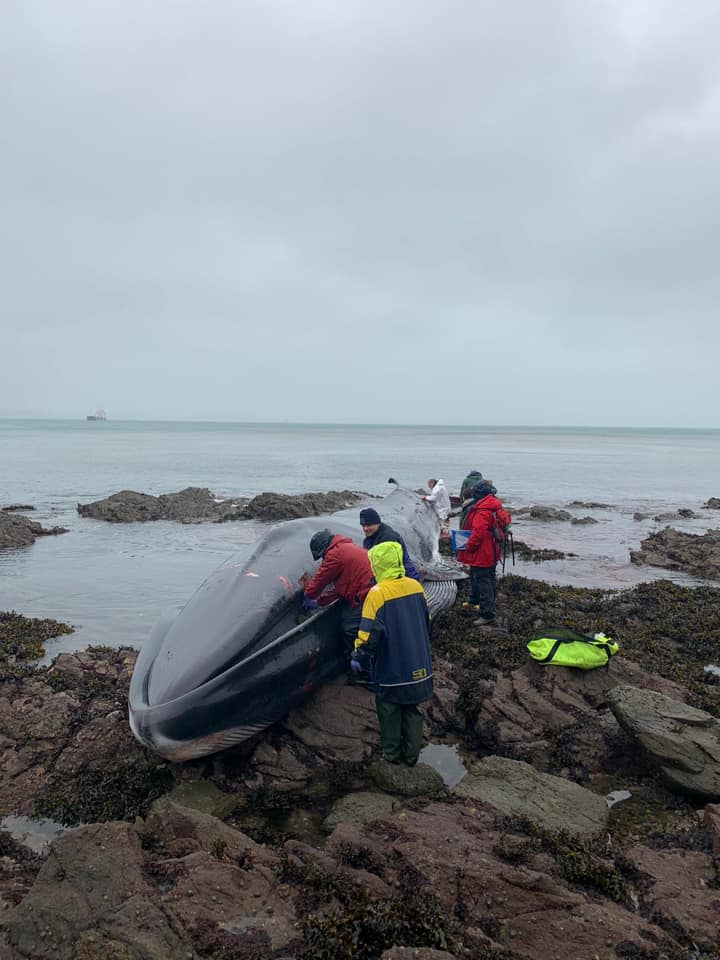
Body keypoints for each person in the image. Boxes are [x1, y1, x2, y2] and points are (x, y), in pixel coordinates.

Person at [350, 541, 433, 766]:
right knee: (413, 711)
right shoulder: (416, 586)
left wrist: (358, 657)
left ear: (377, 564)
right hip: (419, 664)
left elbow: (369, 635)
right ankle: (412, 757)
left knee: (389, 711)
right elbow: (427, 621)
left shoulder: (377, 594)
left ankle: (392, 757)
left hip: (392, 668)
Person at [302, 530, 373, 649]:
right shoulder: (346, 547)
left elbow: (320, 579)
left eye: (322, 555)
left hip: (367, 592)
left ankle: (361, 657)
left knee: (350, 627)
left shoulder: (334, 554)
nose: (323, 558)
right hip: (371, 588)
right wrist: (320, 602)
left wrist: (308, 595)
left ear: (324, 549)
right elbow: (341, 589)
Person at [456, 480, 511, 626]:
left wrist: (469, 547)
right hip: (493, 550)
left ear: (479, 495)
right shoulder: (495, 506)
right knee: (490, 578)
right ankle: (484, 604)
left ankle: (487, 614)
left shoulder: (483, 510)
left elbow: (478, 533)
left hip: (483, 552)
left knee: (483, 581)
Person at [359, 506, 419, 580]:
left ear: (377, 523)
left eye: (369, 525)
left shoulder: (388, 540)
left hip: (400, 577)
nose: (365, 528)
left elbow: (394, 570)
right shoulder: (370, 537)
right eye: (363, 525)